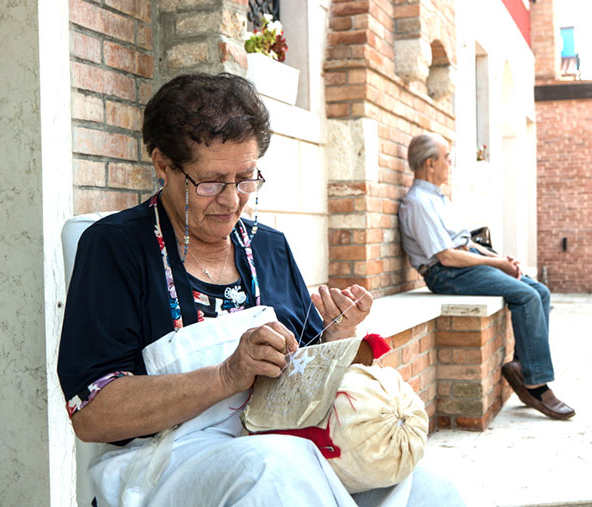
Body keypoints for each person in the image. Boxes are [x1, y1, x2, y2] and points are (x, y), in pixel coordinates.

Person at [58, 74, 464, 506]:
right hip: (161, 464)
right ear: (163, 165)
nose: (233, 200)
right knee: (275, 468)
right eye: (211, 182)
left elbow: (305, 368)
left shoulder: (268, 246)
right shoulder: (115, 247)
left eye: (246, 178)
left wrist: (335, 337)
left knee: (429, 487)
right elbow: (93, 415)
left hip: (289, 442)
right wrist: (226, 376)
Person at [398, 132, 575, 421]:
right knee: (527, 295)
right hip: (445, 274)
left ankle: (522, 367)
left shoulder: (438, 199)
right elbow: (446, 256)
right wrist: (497, 266)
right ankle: (535, 384)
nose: (449, 163)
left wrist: (500, 259)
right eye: (446, 158)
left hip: (465, 265)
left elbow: (465, 243)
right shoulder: (418, 203)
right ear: (430, 164)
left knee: (539, 291)